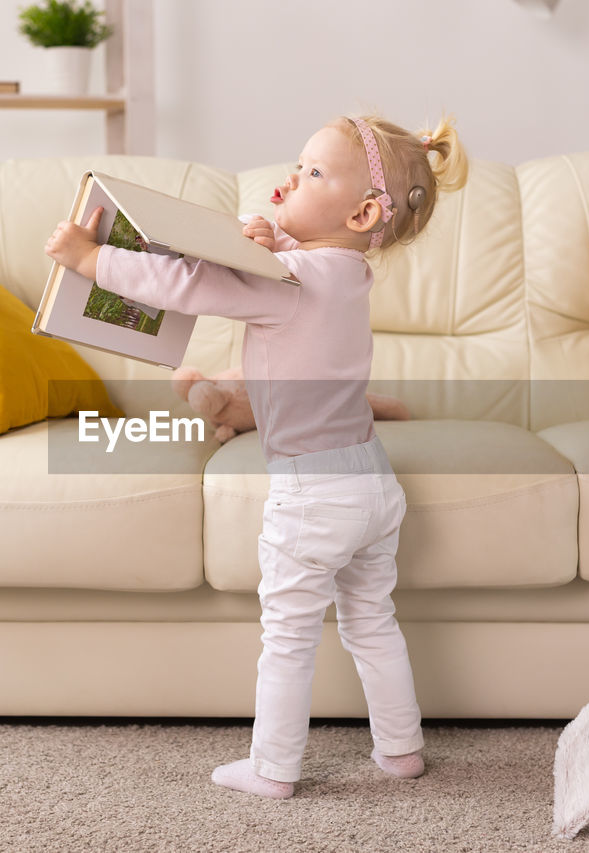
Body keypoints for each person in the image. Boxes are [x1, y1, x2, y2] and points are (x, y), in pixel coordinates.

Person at [45, 114, 468, 798]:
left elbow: (189, 285)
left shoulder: (287, 279)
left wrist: (91, 259)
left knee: (289, 635)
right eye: (296, 166)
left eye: (312, 174)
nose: (289, 179)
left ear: (361, 211)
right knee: (372, 620)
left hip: (313, 493)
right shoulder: (345, 271)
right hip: (371, 481)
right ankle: (401, 747)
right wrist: (270, 230)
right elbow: (262, 246)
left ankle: (273, 766)